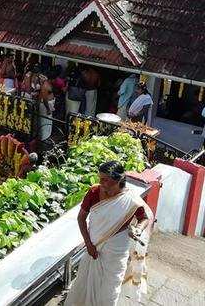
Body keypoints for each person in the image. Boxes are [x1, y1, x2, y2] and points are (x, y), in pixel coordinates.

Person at [64, 161, 153, 306]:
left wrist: (138, 229)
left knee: (110, 292)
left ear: (117, 180)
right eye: (100, 178)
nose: (101, 182)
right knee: (84, 284)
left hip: (117, 252)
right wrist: (88, 244)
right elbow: (81, 218)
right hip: (93, 248)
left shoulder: (131, 200)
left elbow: (144, 219)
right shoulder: (93, 192)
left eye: (105, 179)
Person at [38, 74, 55, 141]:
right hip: (46, 106)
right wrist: (48, 109)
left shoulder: (47, 84)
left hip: (48, 105)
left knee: (48, 122)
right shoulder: (45, 85)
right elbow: (45, 99)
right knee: (45, 122)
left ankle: (46, 137)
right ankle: (44, 138)